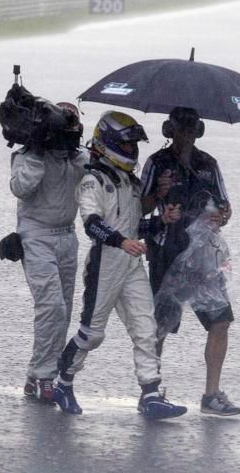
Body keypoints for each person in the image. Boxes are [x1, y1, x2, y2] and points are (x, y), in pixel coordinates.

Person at [55, 110, 187, 420]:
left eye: (133, 146)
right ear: (107, 144)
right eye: (126, 146)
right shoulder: (93, 181)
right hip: (105, 265)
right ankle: (63, 382)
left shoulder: (130, 183)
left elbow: (133, 226)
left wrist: (159, 221)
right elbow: (92, 224)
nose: (131, 151)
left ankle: (151, 393)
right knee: (92, 334)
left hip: (130, 262)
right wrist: (121, 242)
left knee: (146, 328)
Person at [140, 106, 240, 416]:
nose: (185, 135)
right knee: (159, 325)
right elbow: (138, 208)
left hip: (202, 256)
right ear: (169, 130)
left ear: (198, 131)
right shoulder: (157, 163)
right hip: (166, 253)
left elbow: (224, 206)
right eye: (180, 128)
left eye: (190, 128)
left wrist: (222, 215)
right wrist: (159, 194)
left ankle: (211, 394)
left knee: (221, 321)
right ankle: (151, 391)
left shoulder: (207, 164)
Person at [10, 101, 89, 403]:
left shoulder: (77, 157)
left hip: (67, 237)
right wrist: (39, 150)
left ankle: (40, 375)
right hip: (35, 236)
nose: (67, 131)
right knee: (51, 307)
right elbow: (21, 188)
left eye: (73, 125)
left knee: (64, 311)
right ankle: (43, 375)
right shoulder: (27, 156)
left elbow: (99, 170)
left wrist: (73, 147)